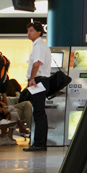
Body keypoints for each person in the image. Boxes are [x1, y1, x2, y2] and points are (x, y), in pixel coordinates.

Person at [24, 21, 52, 152]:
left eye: (31, 30)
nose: (28, 33)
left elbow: (37, 64)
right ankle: (38, 143)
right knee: (38, 112)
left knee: (39, 112)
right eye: (28, 30)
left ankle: (40, 144)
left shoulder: (39, 45)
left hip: (38, 81)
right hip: (38, 80)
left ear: (38, 32)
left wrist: (32, 79)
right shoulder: (38, 45)